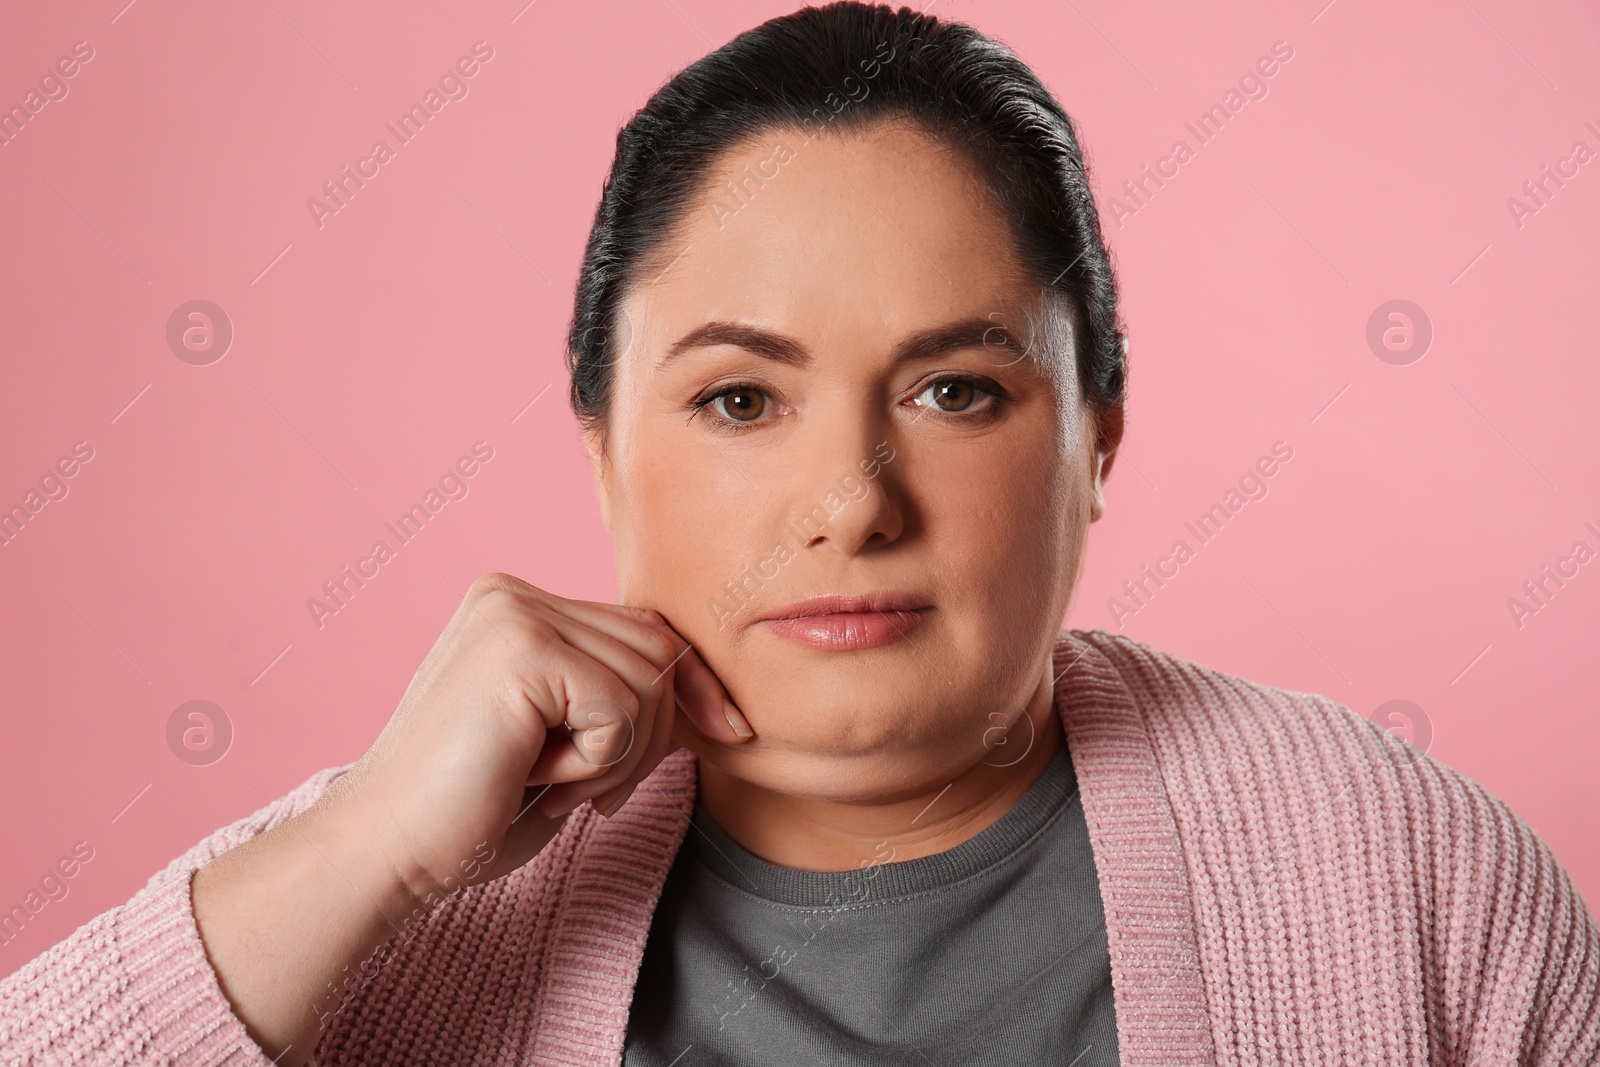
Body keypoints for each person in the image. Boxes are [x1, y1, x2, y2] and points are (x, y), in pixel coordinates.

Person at [3, 3, 1597, 1065]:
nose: (851, 503)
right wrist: (364, 854)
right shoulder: (373, 888)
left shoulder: (1418, 888)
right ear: (604, 454)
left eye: (958, 391)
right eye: (741, 404)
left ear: (1098, 438)